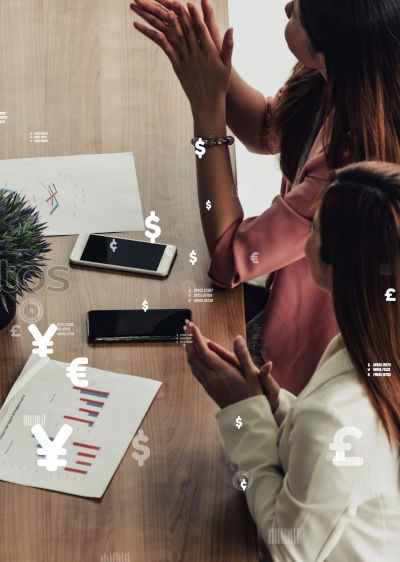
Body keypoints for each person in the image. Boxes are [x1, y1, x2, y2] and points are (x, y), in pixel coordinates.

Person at [131, 0, 400, 393]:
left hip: (303, 358)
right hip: (281, 299)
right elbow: (267, 128)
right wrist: (212, 71)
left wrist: (207, 112)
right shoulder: (348, 78)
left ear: (326, 47)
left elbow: (229, 259)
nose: (287, 5)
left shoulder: (350, 164)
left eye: (300, 12)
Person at [183, 161, 400, 561]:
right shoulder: (377, 346)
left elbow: (287, 548)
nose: (306, 235)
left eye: (314, 227)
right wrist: (275, 403)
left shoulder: (335, 413)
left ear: (335, 263)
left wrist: (241, 413)